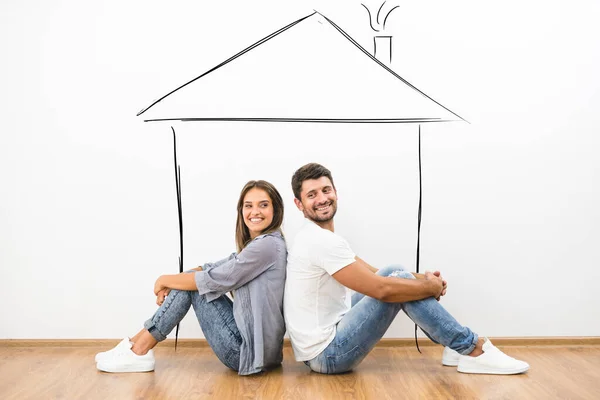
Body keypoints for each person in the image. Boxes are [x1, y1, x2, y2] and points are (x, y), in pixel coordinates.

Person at [284, 163, 529, 375]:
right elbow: (382, 290)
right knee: (396, 282)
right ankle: (472, 348)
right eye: (312, 195)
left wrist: (423, 280)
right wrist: (425, 287)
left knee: (395, 270)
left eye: (326, 190)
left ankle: (456, 348)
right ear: (299, 203)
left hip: (323, 342)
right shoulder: (321, 242)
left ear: (336, 192)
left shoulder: (317, 237)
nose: (322, 199)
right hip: (327, 356)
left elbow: (375, 273)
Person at [96, 180, 287, 376]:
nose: (255, 212)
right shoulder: (260, 246)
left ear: (276, 210)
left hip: (246, 353)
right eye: (249, 206)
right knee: (192, 279)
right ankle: (135, 344)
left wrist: (163, 280)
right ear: (241, 211)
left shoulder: (267, 246)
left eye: (263, 205)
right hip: (262, 353)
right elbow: (213, 267)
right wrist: (173, 281)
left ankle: (139, 350)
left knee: (196, 285)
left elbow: (211, 279)